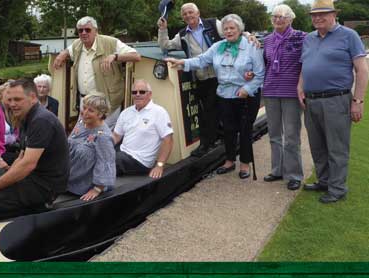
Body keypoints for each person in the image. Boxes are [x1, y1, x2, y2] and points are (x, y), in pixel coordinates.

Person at [166, 14, 264, 179]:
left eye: (232, 28)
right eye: (225, 28)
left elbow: (260, 74)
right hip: (225, 94)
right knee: (228, 129)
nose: (228, 31)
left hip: (246, 96)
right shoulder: (218, 46)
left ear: (239, 30)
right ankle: (230, 160)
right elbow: (202, 60)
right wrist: (183, 63)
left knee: (245, 130)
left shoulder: (252, 47)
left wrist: (247, 88)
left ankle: (245, 164)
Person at [298, 0, 369, 203]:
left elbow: (362, 71)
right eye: (314, 15)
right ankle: (324, 181)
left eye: (323, 14)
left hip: (336, 100)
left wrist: (358, 101)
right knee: (317, 145)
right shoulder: (309, 38)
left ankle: (337, 188)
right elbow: (305, 66)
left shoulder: (349, 35)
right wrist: (300, 87)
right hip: (311, 101)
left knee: (337, 147)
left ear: (334, 15)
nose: (317, 18)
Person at [0, 79, 70, 220]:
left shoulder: (41, 120)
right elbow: (21, 158)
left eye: (17, 99)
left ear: (32, 97)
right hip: (33, 176)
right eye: (10, 99)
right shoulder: (26, 116)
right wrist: (0, 181)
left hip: (47, 185)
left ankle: (41, 208)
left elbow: (28, 164)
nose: (12, 104)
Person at [158, 2, 222, 157]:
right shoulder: (182, 35)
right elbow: (165, 45)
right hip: (201, 78)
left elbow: (233, 32)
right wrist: (162, 29)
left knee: (217, 110)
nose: (188, 15)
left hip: (221, 76)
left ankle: (215, 140)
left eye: (190, 12)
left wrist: (248, 36)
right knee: (206, 111)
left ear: (198, 13)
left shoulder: (214, 24)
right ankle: (209, 142)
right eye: (185, 14)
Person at [53, 16, 141, 129]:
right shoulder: (77, 44)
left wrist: (115, 56)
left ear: (96, 31)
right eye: (80, 30)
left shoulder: (111, 43)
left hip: (106, 103)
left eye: (87, 30)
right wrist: (62, 54)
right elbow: (68, 50)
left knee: (103, 136)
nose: (84, 33)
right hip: (84, 102)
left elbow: (136, 56)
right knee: (84, 134)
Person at [262, 4, 307, 191]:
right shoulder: (267, 40)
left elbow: (306, 62)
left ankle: (294, 174)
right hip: (271, 91)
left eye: (282, 16)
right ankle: (277, 170)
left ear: (290, 19)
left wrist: (302, 86)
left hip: (291, 93)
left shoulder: (301, 37)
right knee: (274, 135)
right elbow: (264, 63)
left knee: (291, 136)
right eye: (275, 16)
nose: (278, 19)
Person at [112, 80, 173, 179]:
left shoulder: (159, 112)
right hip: (123, 153)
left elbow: (168, 141)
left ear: (150, 94)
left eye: (142, 92)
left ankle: (92, 187)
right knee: (95, 152)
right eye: (134, 92)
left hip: (140, 161)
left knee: (108, 161)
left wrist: (159, 166)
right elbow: (116, 136)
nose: (138, 95)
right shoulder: (126, 112)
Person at [68, 94, 116, 201]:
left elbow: (106, 162)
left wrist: (97, 189)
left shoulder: (103, 136)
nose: (85, 113)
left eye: (91, 110)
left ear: (100, 114)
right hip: (68, 180)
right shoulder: (82, 121)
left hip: (82, 187)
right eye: (84, 108)